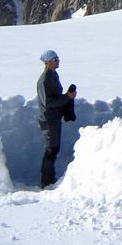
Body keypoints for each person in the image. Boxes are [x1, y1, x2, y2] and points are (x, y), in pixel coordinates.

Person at [36, 49, 76, 189]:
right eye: (55, 59)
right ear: (47, 63)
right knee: (51, 149)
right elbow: (48, 102)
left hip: (54, 117)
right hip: (48, 119)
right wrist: (67, 98)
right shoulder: (45, 80)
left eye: (57, 58)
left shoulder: (53, 75)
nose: (58, 61)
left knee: (54, 148)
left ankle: (49, 178)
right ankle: (46, 181)